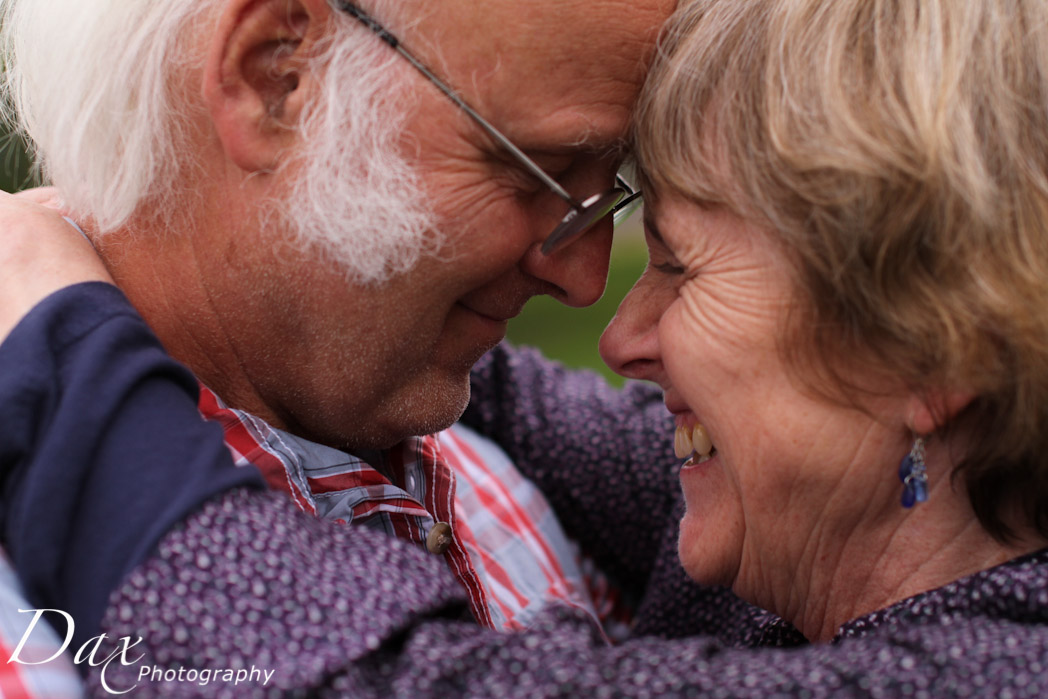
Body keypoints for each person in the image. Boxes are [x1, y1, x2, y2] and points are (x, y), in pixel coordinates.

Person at [6, 0, 1048, 696]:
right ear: (280, 74)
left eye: (675, 261)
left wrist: (70, 372)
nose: (607, 310)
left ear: (930, 354)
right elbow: (519, 402)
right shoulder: (792, 508)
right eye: (546, 175)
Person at [0, 0, 689, 660]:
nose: (586, 280)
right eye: (543, 173)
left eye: (610, 191)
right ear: (277, 75)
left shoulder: (504, 482)